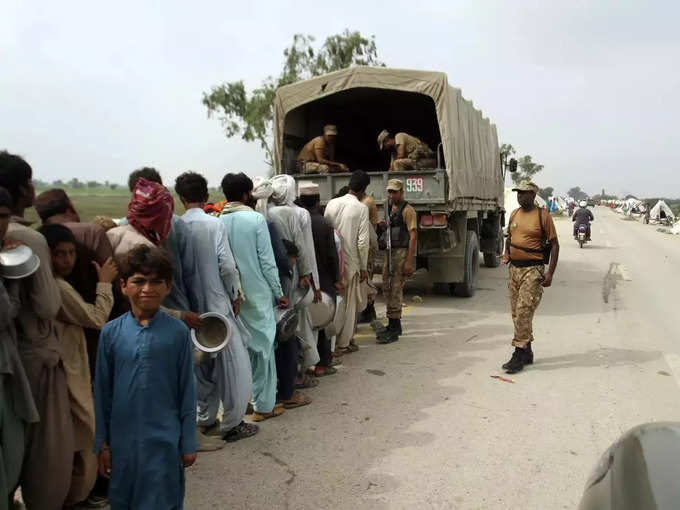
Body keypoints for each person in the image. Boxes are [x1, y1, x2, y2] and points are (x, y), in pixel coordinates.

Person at [93, 245, 197, 510]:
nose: (147, 289)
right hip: (122, 442)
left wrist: (188, 440)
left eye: (155, 282)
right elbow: (102, 391)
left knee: (163, 500)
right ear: (123, 286)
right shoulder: (111, 333)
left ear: (168, 287)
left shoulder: (177, 333)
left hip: (164, 442)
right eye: (139, 281)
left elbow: (186, 389)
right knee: (124, 499)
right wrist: (102, 445)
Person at [0, 151, 76, 510]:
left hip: (11, 355)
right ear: (17, 189)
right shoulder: (28, 241)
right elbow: (48, 305)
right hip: (37, 353)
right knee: (48, 450)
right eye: (28, 182)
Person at [174, 172, 258, 444]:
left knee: (200, 367)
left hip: (189, 310)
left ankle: (205, 420)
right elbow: (227, 266)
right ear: (207, 197)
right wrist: (236, 294)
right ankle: (233, 424)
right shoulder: (214, 224)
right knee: (234, 366)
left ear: (181, 198)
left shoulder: (175, 226)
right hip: (218, 305)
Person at [38, 224, 117, 507]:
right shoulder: (57, 288)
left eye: (71, 253)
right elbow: (96, 318)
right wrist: (105, 283)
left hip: (68, 365)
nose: (67, 260)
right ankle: (77, 496)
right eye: (60, 254)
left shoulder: (50, 283)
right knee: (87, 431)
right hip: (68, 369)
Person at [219, 173, 289, 422]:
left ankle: (248, 399)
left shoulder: (218, 221)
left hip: (233, 296)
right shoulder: (255, 220)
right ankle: (265, 406)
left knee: (244, 350)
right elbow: (268, 263)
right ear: (247, 194)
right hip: (258, 294)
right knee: (264, 352)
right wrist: (280, 293)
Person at [107, 178, 201, 330]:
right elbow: (144, 302)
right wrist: (182, 316)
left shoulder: (113, 234)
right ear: (160, 217)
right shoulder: (146, 249)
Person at [0, 185, 40, 510]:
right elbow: (5, 314)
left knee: (13, 448)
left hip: (8, 366)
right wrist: (12, 276)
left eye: (1, 217)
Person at [502, 181, 560, 374]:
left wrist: (550, 272)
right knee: (516, 313)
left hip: (532, 270)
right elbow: (509, 237)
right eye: (518, 193)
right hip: (514, 270)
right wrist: (506, 253)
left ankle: (518, 354)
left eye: (524, 194)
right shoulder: (514, 214)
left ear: (533, 195)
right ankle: (527, 351)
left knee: (524, 311)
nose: (520, 196)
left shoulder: (543, 216)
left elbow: (554, 245)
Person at [124, 167, 200, 313]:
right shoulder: (177, 224)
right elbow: (190, 274)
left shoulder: (123, 227)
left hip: (138, 312)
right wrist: (195, 309)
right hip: (177, 308)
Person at [270, 175, 321, 373]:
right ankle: (303, 366)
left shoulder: (265, 210)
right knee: (298, 321)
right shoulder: (296, 214)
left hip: (273, 275)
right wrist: (309, 276)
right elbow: (303, 246)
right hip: (294, 274)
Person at [297, 182, 342, 377]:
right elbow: (332, 256)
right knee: (323, 321)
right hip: (323, 279)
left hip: (301, 281)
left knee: (304, 324)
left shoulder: (297, 220)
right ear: (317, 201)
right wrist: (336, 278)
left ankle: (304, 365)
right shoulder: (324, 224)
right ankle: (323, 363)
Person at [324, 170, 371, 355]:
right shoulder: (361, 208)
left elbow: (327, 232)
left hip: (332, 261)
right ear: (363, 189)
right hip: (350, 263)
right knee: (349, 306)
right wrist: (363, 267)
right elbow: (362, 242)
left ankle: (331, 342)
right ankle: (344, 343)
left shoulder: (332, 203)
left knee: (334, 303)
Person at [376, 179, 417, 344]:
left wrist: (408, 261)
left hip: (401, 252)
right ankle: (393, 323)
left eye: (395, 192)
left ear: (401, 192)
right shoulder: (388, 206)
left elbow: (413, 235)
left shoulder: (408, 210)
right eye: (390, 192)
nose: (391, 195)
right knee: (386, 285)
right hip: (389, 251)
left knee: (395, 288)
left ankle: (394, 326)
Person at [358, 194, 379, 324]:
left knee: (366, 284)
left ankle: (368, 312)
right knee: (366, 284)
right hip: (366, 250)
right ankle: (368, 312)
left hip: (365, 251)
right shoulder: (366, 203)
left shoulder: (365, 205)